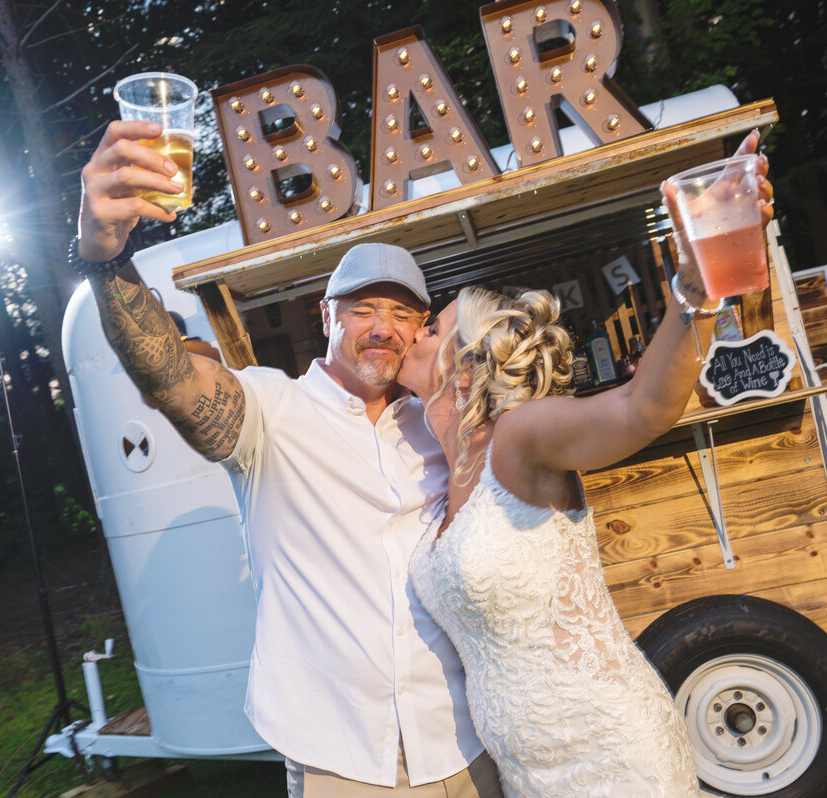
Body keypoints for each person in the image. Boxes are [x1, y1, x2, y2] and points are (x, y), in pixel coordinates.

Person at [70, 119, 503, 797]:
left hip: (462, 738)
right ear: (327, 315)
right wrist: (104, 261)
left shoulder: (440, 423)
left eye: (401, 312)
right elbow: (171, 380)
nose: (383, 327)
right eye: (364, 308)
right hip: (342, 759)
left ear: (422, 329)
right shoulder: (271, 411)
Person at [394, 135, 773, 797]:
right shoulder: (441, 472)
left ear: (468, 361)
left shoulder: (519, 436)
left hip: (609, 757)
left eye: (432, 328)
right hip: (530, 775)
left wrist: (693, 284)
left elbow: (639, 408)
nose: (415, 332)